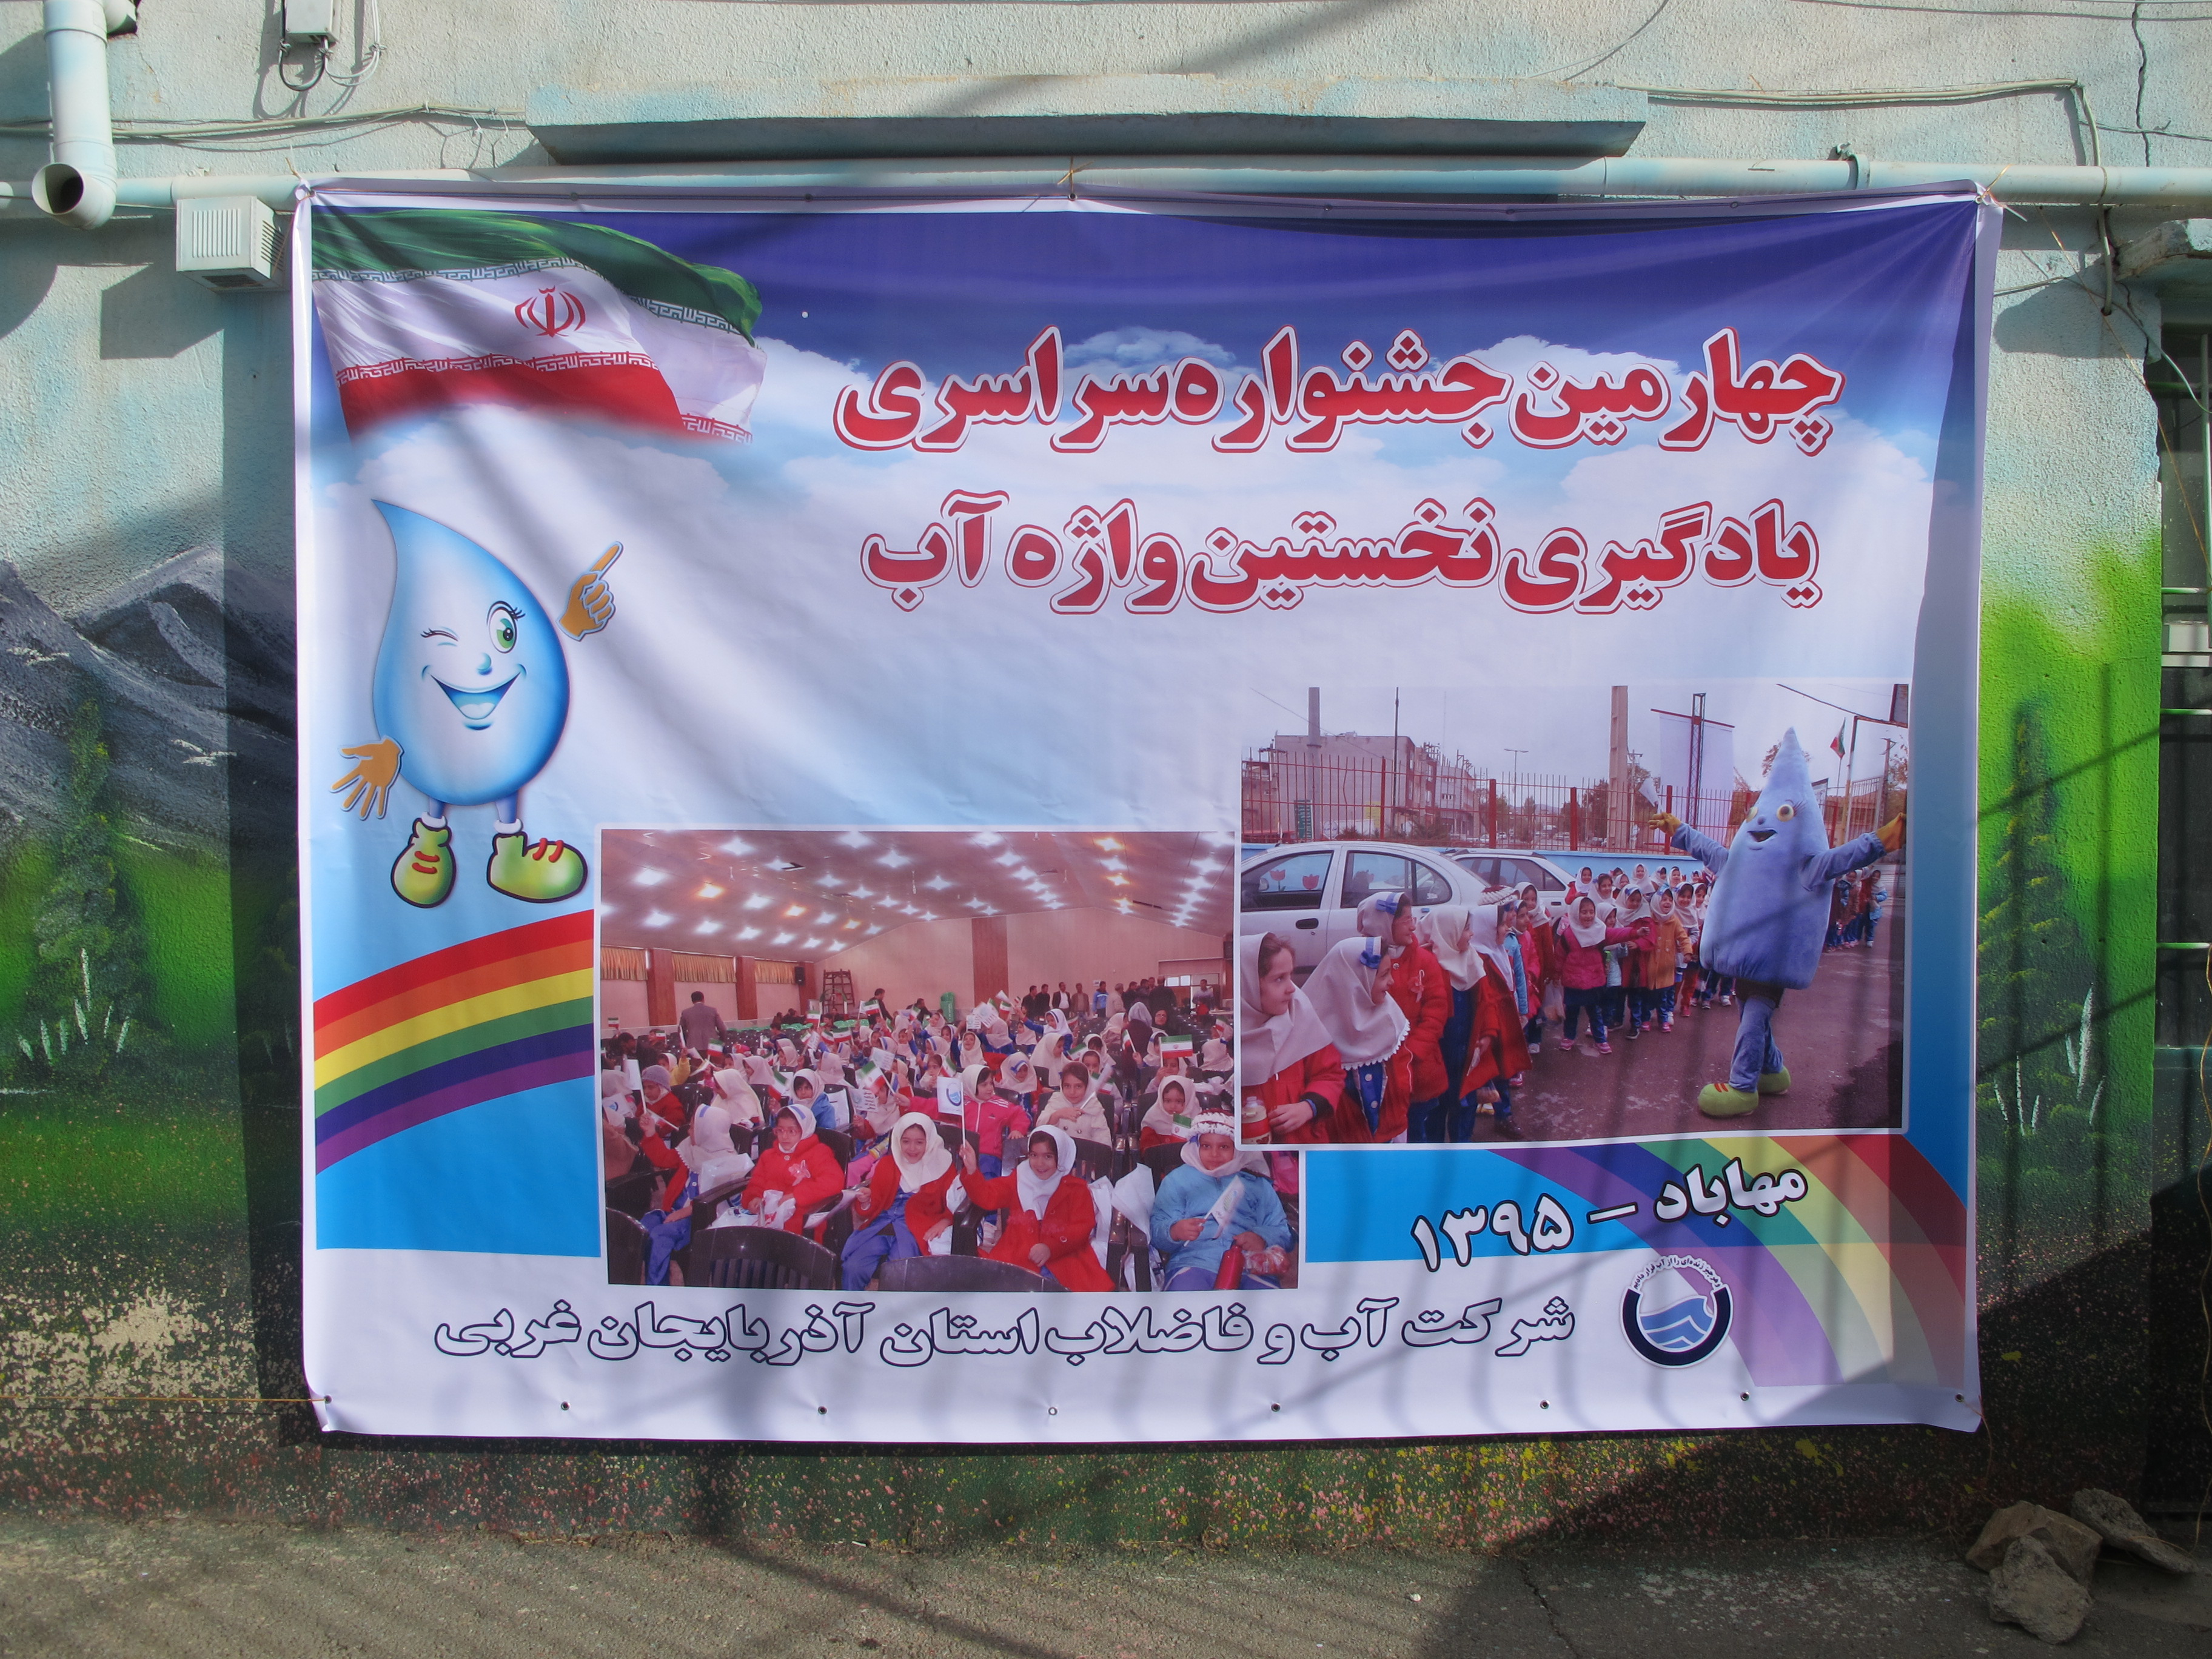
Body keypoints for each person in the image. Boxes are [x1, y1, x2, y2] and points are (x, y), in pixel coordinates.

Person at [1651, 729, 1904, 1118]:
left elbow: (1846, 857)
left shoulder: (1807, 865)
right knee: (1751, 1019)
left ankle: (1743, 1087)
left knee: (1752, 1022)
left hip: (1771, 966)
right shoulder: (1736, 860)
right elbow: (1708, 848)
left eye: (1784, 813)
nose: (1763, 820)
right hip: (1743, 964)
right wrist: (1679, 830)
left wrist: (1883, 839)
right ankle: (1772, 1071)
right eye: (1757, 815)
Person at [1150, 1114, 1294, 1290]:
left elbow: (1281, 1230)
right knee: (1184, 1301)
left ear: (1238, 1148)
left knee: (1266, 1305)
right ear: (1196, 1146)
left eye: (1224, 1147)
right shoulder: (1177, 1181)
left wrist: (1262, 1238)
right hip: (1194, 1262)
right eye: (1206, 1146)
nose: (1214, 1154)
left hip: (1250, 1265)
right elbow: (1157, 1231)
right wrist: (1175, 1231)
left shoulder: (1256, 1183)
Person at [959, 1127, 1112, 1289]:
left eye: (1048, 1157)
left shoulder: (1077, 1189)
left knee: (1069, 1294)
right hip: (1019, 1252)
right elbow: (988, 1197)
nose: (1040, 1164)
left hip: (1065, 1257)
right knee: (1002, 1291)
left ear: (1061, 1157)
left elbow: (1082, 1228)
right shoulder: (1018, 1180)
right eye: (1034, 1155)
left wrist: (1051, 1248)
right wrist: (972, 1171)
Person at [1303, 933, 1412, 1142]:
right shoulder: (1314, 1031)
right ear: (1354, 981)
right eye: (1384, 975)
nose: (1392, 982)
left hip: (1387, 1132)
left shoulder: (1390, 1015)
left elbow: (1402, 1074)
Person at [1238, 931, 1344, 1144]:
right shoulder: (1230, 1041)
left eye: (1290, 976)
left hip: (1302, 1144)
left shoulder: (1301, 1017)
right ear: (1249, 984)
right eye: (1279, 979)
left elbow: (1330, 1073)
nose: (1292, 989)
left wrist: (1308, 1107)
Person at [840, 1112, 963, 1289]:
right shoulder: (887, 1164)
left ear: (929, 1141)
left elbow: (954, 1202)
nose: (912, 1149)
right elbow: (872, 1207)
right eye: (906, 1142)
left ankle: (893, 1309)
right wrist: (866, 1200)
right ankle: (852, 1306)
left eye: (919, 1142)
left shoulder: (943, 1166)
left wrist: (944, 1222)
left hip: (917, 1226)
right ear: (898, 1141)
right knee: (853, 1267)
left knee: (900, 1273)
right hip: (882, 1223)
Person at [1417, 905, 1483, 1145]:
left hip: (1465, 1050)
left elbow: (1485, 1003)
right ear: (1449, 932)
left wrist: (1485, 1035)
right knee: (1435, 1106)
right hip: (1437, 1054)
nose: (1471, 934)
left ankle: (1461, 1147)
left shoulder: (1472, 959)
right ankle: (1434, 1152)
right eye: (1466, 929)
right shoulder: (1429, 965)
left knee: (1464, 1101)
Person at [1555, 896, 1644, 1054]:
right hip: (1573, 982)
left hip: (1594, 980)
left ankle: (1600, 1040)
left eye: (1591, 912)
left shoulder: (1599, 930)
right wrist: (1556, 974)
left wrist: (1635, 933)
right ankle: (1569, 1037)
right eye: (1584, 912)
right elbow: (1559, 956)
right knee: (1572, 1012)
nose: (1588, 916)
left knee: (1595, 1013)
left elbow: (1616, 934)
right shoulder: (1568, 935)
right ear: (1575, 913)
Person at [741, 1104, 845, 1233]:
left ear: (805, 1130)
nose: (785, 1137)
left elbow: (833, 1182)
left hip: (802, 1219)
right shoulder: (768, 1156)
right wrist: (753, 1198)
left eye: (792, 1131)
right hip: (766, 1217)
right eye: (780, 1130)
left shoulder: (818, 1153)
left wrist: (796, 1195)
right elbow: (757, 1183)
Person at [956, 1061, 1030, 1178]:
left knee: (986, 1177)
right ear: (971, 1085)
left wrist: (1017, 1130)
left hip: (989, 1157)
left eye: (991, 1083)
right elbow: (936, 1108)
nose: (990, 1088)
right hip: (963, 1155)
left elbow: (1019, 1114)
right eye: (984, 1085)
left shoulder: (1000, 1105)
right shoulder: (961, 1103)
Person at [1037, 1057, 1111, 1145]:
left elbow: (1104, 1144)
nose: (1072, 1092)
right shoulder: (1056, 1101)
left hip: (1085, 1153)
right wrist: (1057, 1115)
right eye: (1067, 1086)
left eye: (1078, 1086)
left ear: (1087, 1087)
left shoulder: (1094, 1106)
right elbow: (1039, 1134)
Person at [677, 989, 726, 1053]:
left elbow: (681, 1030)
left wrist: (686, 1042)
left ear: (692, 1001)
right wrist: (721, 1042)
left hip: (693, 1045)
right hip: (713, 1045)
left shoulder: (686, 1013)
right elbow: (722, 1029)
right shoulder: (713, 1011)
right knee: (714, 1060)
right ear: (703, 999)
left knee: (696, 1060)